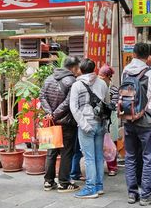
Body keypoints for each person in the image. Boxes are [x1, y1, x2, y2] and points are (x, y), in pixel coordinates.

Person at [122, 43, 151, 206]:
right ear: (148, 57)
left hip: (128, 118)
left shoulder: (125, 71)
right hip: (146, 120)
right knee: (148, 157)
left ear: (133, 54)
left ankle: (132, 193)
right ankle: (146, 194)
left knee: (131, 156)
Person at [40, 56, 81, 192]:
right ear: (74, 67)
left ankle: (48, 181)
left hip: (51, 121)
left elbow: (42, 97)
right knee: (66, 152)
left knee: (51, 151)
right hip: (66, 123)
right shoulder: (72, 81)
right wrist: (55, 114)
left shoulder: (49, 78)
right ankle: (63, 183)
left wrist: (50, 113)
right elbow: (68, 103)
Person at [69, 58, 108, 199]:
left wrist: (84, 124)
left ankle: (91, 188)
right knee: (98, 157)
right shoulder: (102, 83)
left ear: (81, 69)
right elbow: (107, 103)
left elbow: (73, 107)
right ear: (94, 68)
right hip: (100, 124)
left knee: (89, 158)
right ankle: (99, 186)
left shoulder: (77, 85)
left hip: (86, 124)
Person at [98, 65, 119, 176]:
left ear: (108, 77)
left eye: (102, 77)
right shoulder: (96, 86)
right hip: (100, 118)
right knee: (100, 142)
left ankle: (112, 167)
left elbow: (114, 105)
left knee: (111, 142)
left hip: (111, 117)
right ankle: (100, 165)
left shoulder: (114, 89)